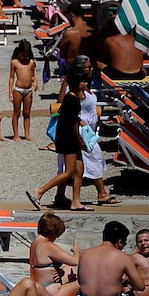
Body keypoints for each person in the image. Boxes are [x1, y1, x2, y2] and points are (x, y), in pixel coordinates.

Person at [53, 56, 120, 207]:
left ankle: (61, 195)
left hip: (84, 130)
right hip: (78, 131)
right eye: (88, 67)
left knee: (71, 167)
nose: (91, 70)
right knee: (92, 158)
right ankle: (101, 193)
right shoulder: (73, 87)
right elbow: (61, 105)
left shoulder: (84, 84)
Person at [27, 70, 92, 211]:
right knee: (68, 172)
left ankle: (76, 201)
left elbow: (69, 117)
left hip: (66, 135)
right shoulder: (73, 100)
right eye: (83, 82)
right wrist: (80, 141)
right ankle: (40, 191)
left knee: (79, 169)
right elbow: (72, 125)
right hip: (69, 138)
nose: (85, 84)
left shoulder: (70, 97)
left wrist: (79, 122)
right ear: (76, 83)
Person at [76, 221, 145, 296]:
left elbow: (80, 281)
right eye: (124, 243)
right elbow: (140, 286)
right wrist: (126, 282)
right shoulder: (122, 257)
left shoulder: (85, 253)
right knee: (134, 295)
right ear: (120, 241)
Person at [28, 212, 80, 296]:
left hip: (38, 287)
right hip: (51, 291)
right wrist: (76, 251)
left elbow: (43, 269)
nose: (56, 238)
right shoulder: (47, 245)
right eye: (57, 235)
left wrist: (60, 272)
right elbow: (75, 261)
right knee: (87, 281)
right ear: (53, 232)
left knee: (69, 268)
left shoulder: (35, 243)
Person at [57, 2, 99, 103]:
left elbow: (62, 54)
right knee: (87, 100)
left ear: (71, 15)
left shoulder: (69, 33)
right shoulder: (92, 32)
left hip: (73, 73)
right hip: (88, 73)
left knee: (62, 104)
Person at [8, 39, 38, 141]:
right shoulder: (15, 62)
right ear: (19, 52)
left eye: (26, 55)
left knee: (27, 113)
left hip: (28, 89)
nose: (24, 57)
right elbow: (11, 77)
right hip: (18, 89)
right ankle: (16, 134)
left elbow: (33, 76)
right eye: (22, 54)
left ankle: (27, 134)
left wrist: (35, 82)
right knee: (16, 112)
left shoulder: (31, 63)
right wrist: (10, 92)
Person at [131, 229, 149, 296]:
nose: (143, 243)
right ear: (137, 245)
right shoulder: (135, 257)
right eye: (139, 242)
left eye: (146, 240)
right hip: (141, 294)